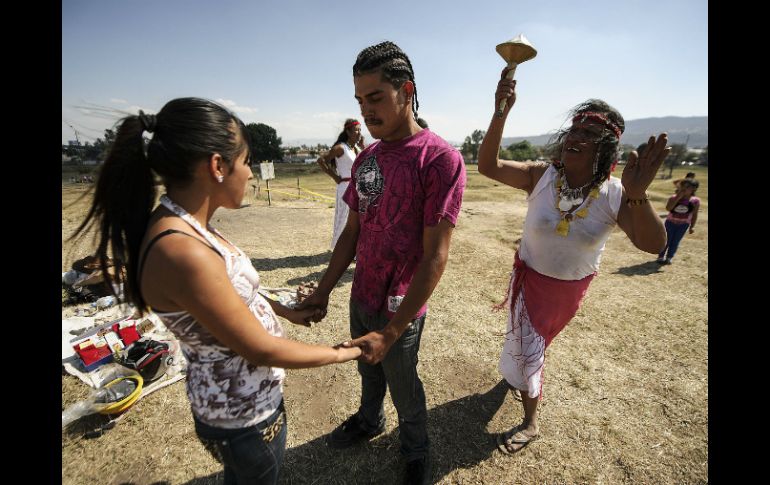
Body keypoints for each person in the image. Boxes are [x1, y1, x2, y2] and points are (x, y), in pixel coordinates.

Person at [72, 98, 361, 484]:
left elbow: (229, 295)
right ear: (217, 166)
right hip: (242, 416)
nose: (251, 174)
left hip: (244, 401)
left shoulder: (188, 224)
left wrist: (284, 310)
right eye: (245, 162)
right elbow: (259, 348)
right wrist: (351, 351)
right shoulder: (182, 250)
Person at [297, 41, 466, 485]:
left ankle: (416, 451)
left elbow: (436, 255)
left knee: (403, 383)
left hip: (400, 307)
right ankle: (368, 421)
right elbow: (352, 232)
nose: (367, 111)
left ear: (406, 90)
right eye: (359, 100)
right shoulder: (368, 157)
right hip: (362, 293)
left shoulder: (440, 159)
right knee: (365, 368)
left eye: (376, 98)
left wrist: (393, 331)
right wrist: (322, 290)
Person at [477, 69, 669, 455]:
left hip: (566, 291)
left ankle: (530, 421)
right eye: (574, 130)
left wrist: (638, 194)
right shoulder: (541, 176)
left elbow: (653, 245)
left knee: (532, 344)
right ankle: (523, 393)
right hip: (529, 277)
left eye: (589, 135)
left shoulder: (616, 195)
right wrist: (501, 111)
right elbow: (488, 166)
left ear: (607, 150)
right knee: (527, 343)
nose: (576, 138)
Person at [316, 119, 365, 249]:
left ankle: (353, 248)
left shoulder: (357, 148)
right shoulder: (340, 148)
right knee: (344, 218)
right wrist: (335, 177)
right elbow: (321, 160)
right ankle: (341, 247)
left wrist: (362, 145)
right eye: (356, 130)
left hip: (358, 188)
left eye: (360, 130)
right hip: (345, 186)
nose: (359, 132)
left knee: (357, 219)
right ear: (348, 132)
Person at [657, 178, 700, 264]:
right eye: (682, 186)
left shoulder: (695, 201)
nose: (684, 188)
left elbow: (694, 214)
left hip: (683, 224)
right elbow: (668, 208)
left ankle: (669, 257)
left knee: (675, 241)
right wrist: (678, 198)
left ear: (693, 189)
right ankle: (661, 256)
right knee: (666, 240)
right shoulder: (673, 198)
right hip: (670, 223)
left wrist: (692, 226)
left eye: (687, 187)